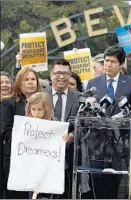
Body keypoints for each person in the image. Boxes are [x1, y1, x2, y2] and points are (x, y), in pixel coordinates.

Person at [85, 45, 131, 199]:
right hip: (97, 145)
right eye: (106, 61)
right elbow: (86, 111)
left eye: (112, 62)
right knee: (98, 186)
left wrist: (124, 119)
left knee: (119, 190)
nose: (108, 65)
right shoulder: (93, 83)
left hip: (121, 145)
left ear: (121, 64)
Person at [1, 68, 41, 199]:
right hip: (15, 161)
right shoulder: (8, 103)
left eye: (33, 79)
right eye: (26, 79)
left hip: (39, 160)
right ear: (19, 83)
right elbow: (6, 131)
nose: (30, 82)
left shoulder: (45, 102)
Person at [45, 58, 81, 199]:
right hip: (44, 155)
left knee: (65, 193)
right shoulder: (41, 95)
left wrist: (73, 135)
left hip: (69, 157)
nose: (61, 77)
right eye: (57, 73)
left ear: (70, 75)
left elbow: (83, 126)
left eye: (65, 73)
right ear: (51, 75)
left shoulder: (79, 98)